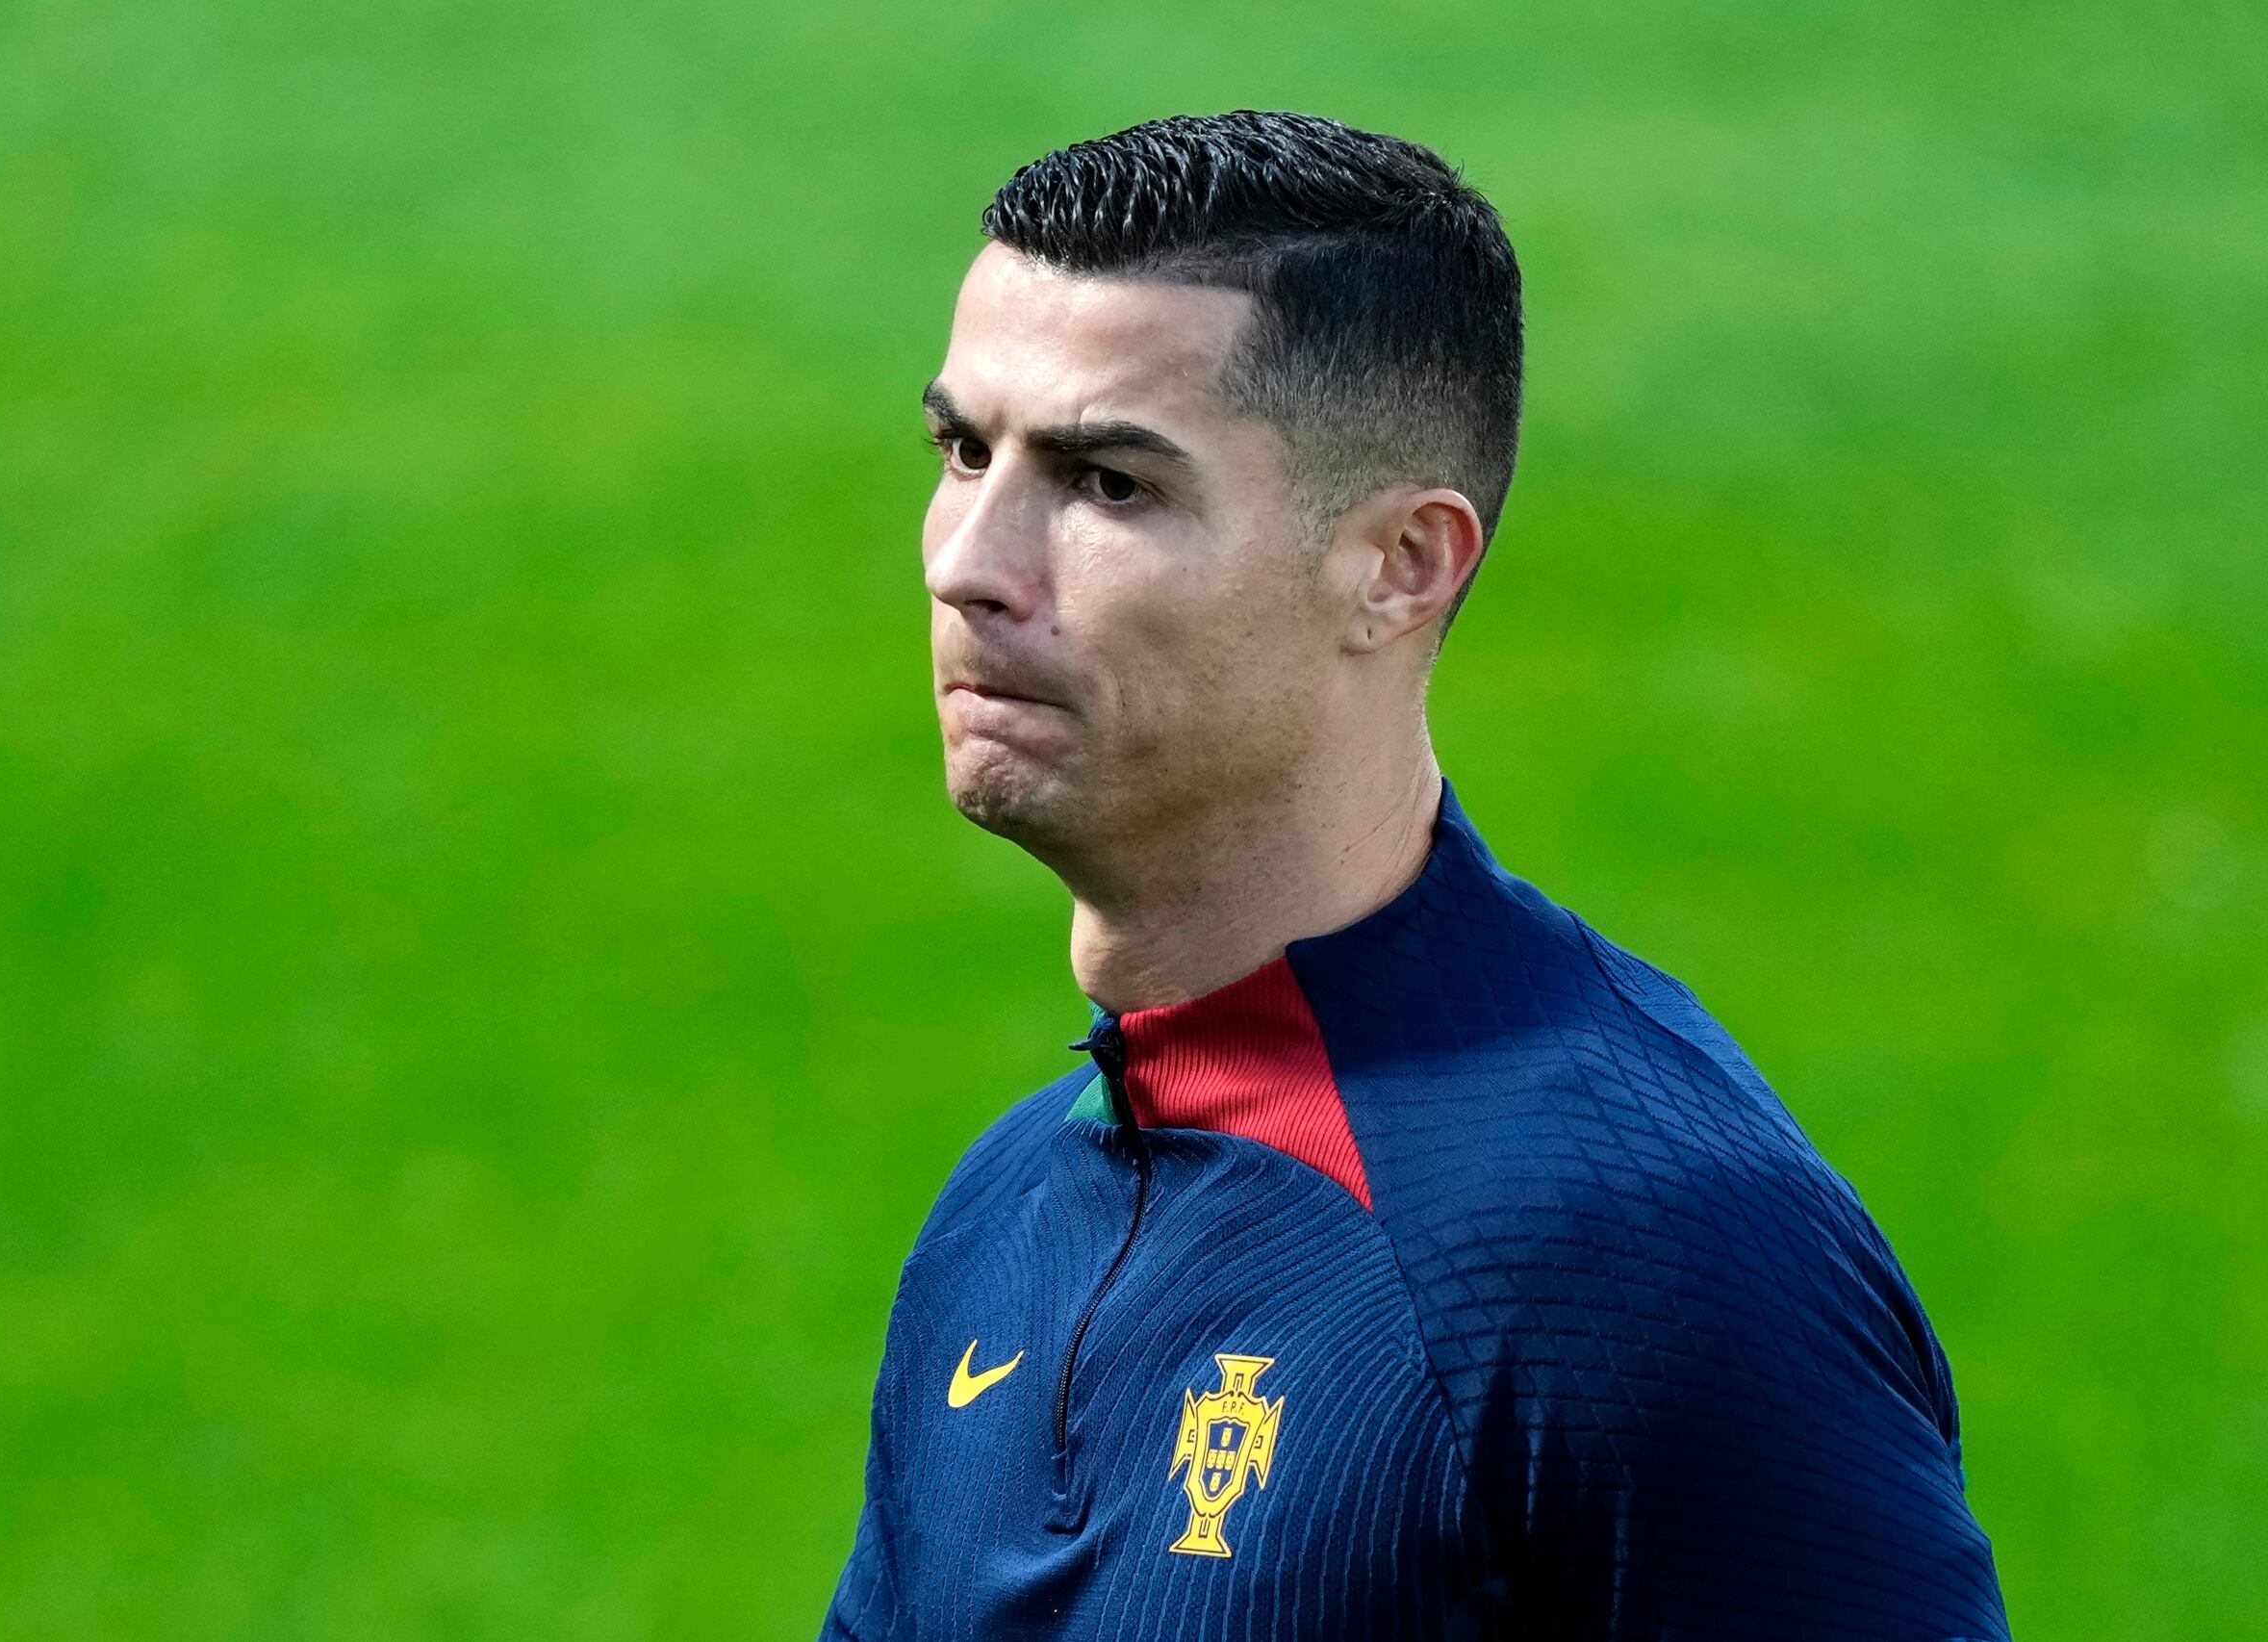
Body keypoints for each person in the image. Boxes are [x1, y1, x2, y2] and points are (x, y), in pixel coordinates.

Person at [822, 110, 2006, 1640]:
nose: (969, 561)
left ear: (1399, 568)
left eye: (1110, 483)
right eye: (964, 449)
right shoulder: (1011, 1207)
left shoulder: (1640, 1261)